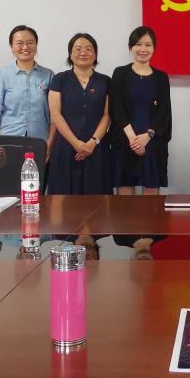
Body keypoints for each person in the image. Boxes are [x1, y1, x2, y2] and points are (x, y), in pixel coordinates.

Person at [47, 33, 112, 261]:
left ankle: (91, 235)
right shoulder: (60, 79)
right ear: (70, 53)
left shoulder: (105, 81)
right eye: (77, 48)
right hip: (66, 149)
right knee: (65, 195)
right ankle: (68, 242)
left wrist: (93, 142)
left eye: (88, 48)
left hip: (96, 150)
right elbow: (55, 114)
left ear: (95, 54)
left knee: (96, 195)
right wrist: (76, 143)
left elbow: (107, 115)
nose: (83, 52)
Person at [109, 26, 171, 260]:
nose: (143, 49)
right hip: (126, 140)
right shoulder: (120, 73)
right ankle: (130, 234)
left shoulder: (161, 77)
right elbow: (116, 107)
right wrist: (132, 136)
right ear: (130, 47)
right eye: (138, 44)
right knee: (125, 190)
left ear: (154, 48)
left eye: (148, 45)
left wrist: (148, 135)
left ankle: (148, 233)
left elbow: (164, 112)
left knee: (150, 191)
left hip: (152, 143)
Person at [0, 25, 56, 155]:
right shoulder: (2, 75)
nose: (25, 47)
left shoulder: (48, 75)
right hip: (8, 143)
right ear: (12, 46)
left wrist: (50, 144)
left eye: (30, 42)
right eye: (19, 43)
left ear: (36, 45)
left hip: (40, 142)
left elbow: (55, 116)